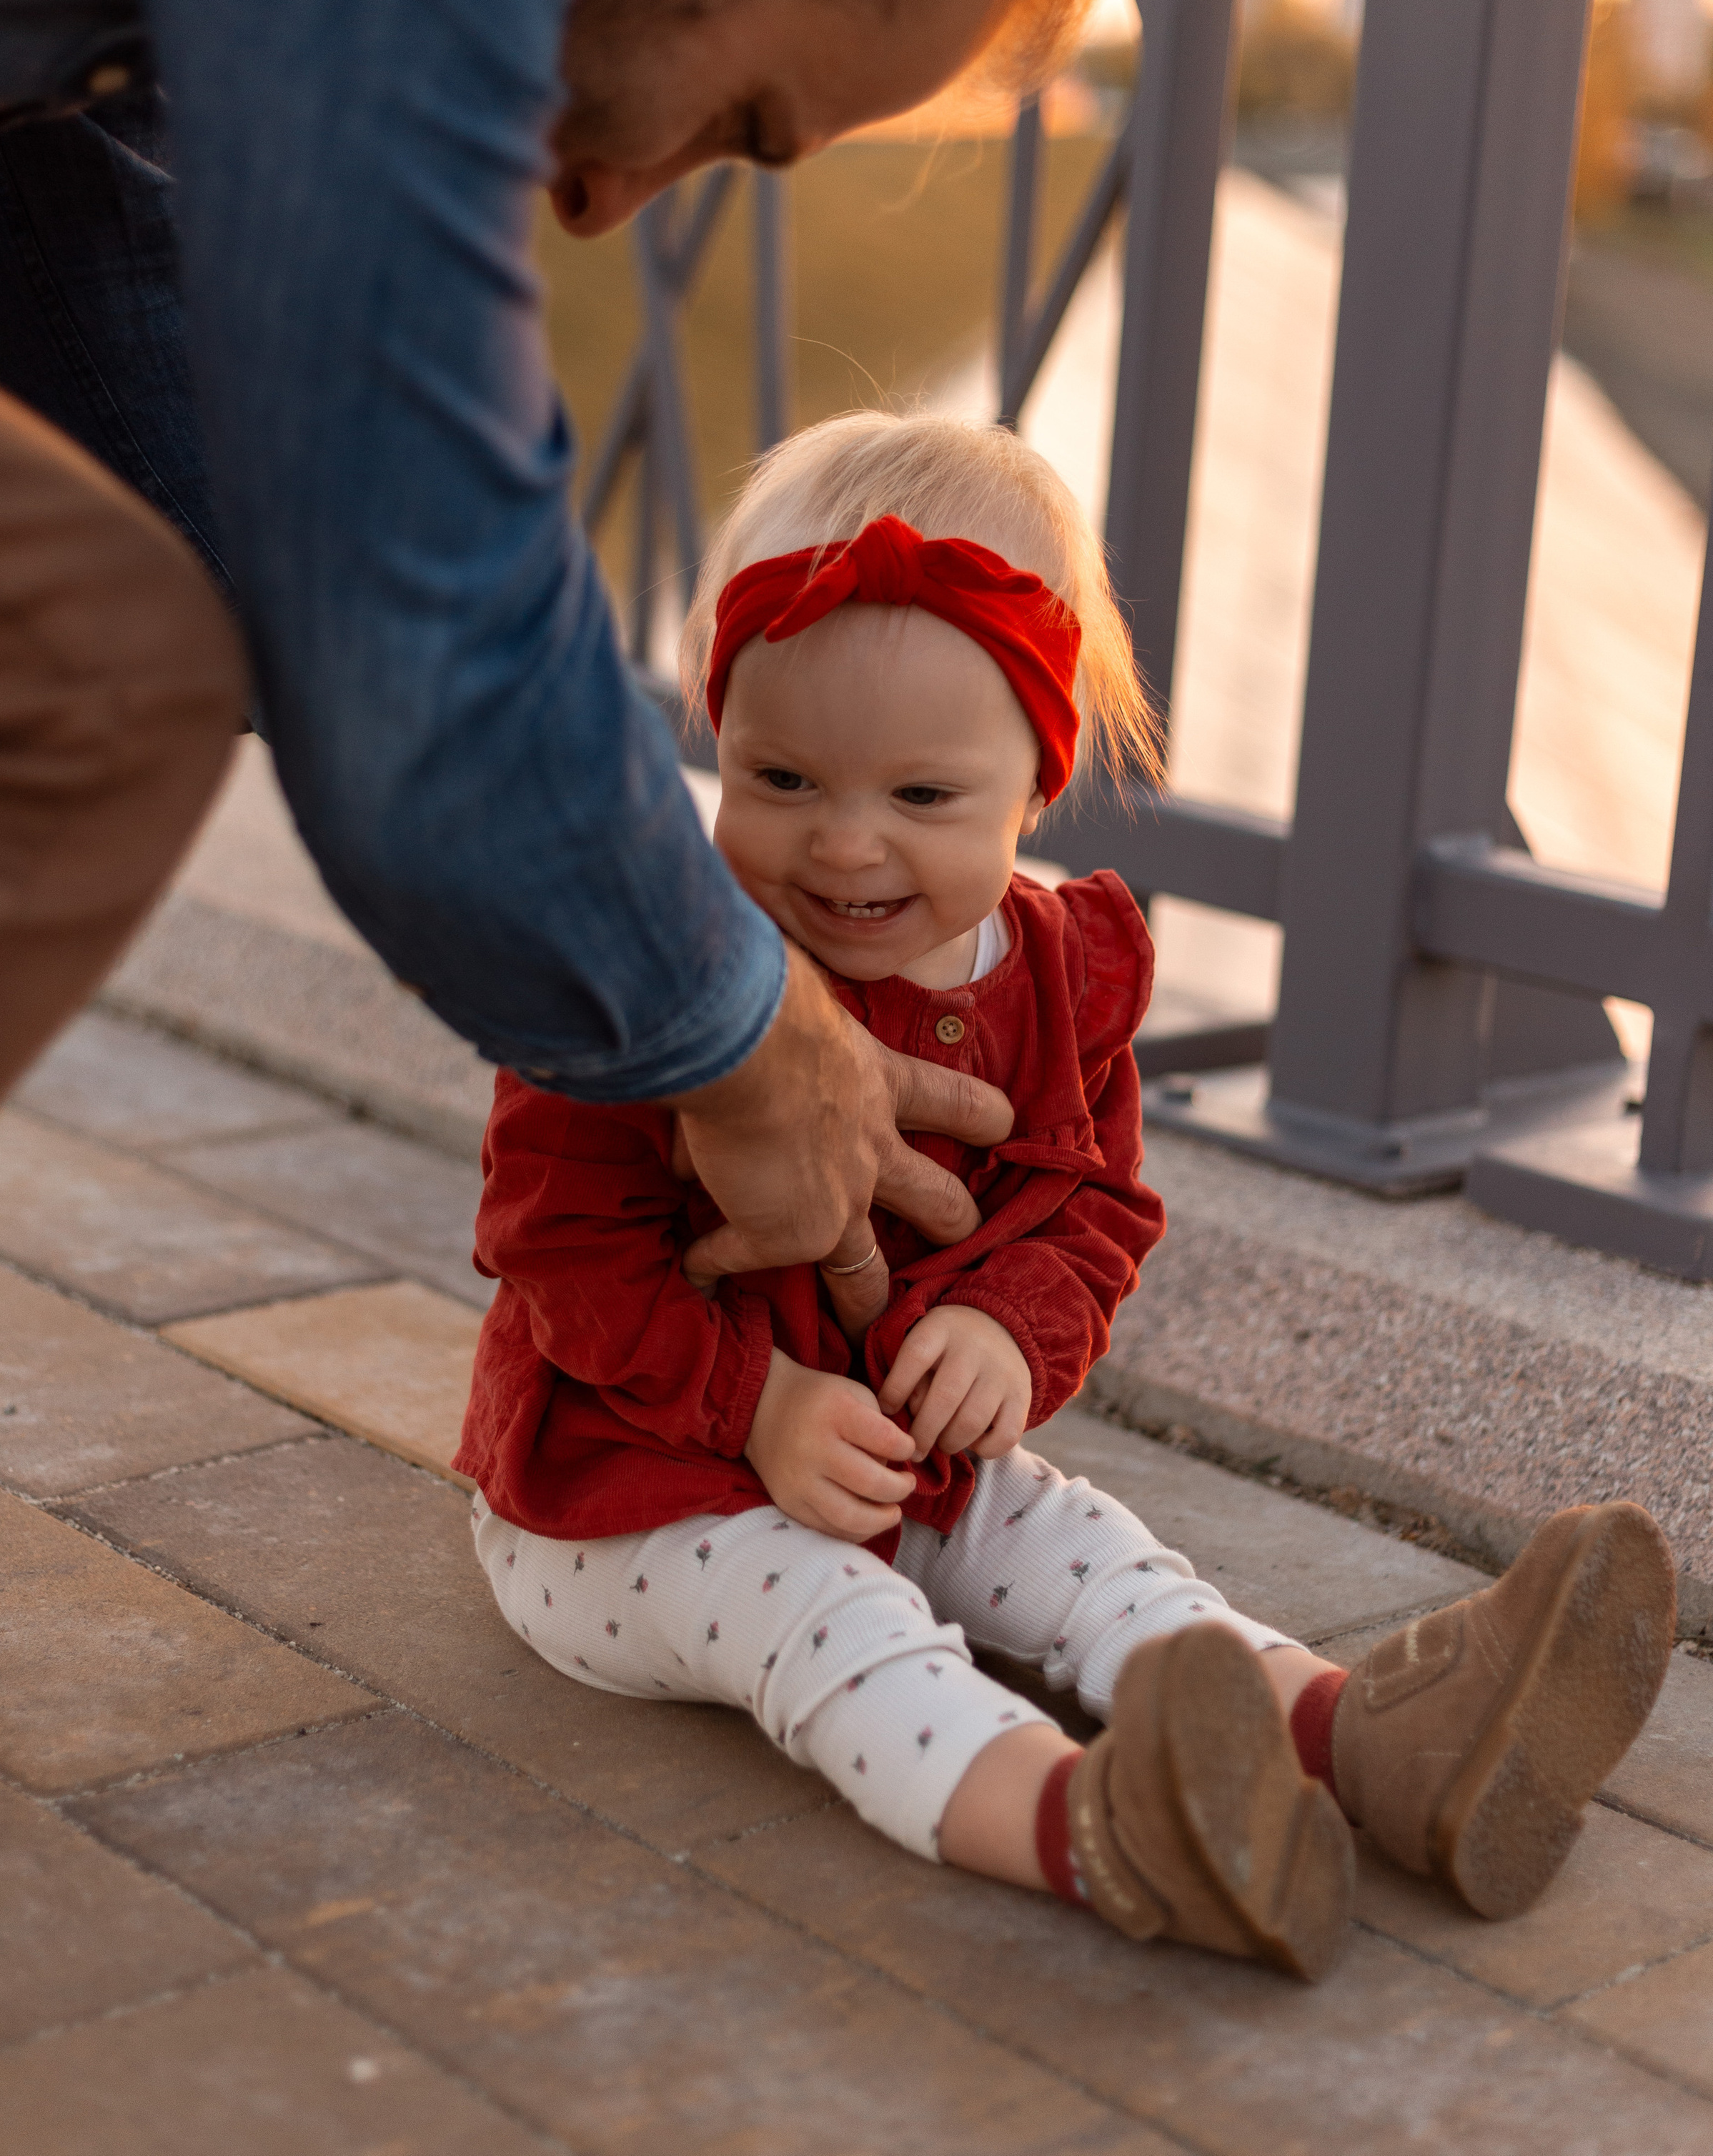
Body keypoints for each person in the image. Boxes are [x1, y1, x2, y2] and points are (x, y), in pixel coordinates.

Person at [0, 0, 1143, 1634]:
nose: (605, 199)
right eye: (739, 119)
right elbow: (411, 606)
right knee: (49, 662)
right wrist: (735, 1035)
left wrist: (641, 904)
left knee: (73, 630)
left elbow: (221, 473)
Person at [456, 412, 1678, 1981]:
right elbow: (554, 1247)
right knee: (829, 1625)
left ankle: (1374, 1740)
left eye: (921, 794)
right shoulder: (640, 967)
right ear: (716, 732)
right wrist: (754, 1404)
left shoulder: (1055, 977)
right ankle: (1104, 1824)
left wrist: (1002, 1330)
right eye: (780, 776)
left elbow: (1092, 1206)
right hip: (626, 1497)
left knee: (1085, 1551)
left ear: (1032, 785)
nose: (845, 842)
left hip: (913, 1466)